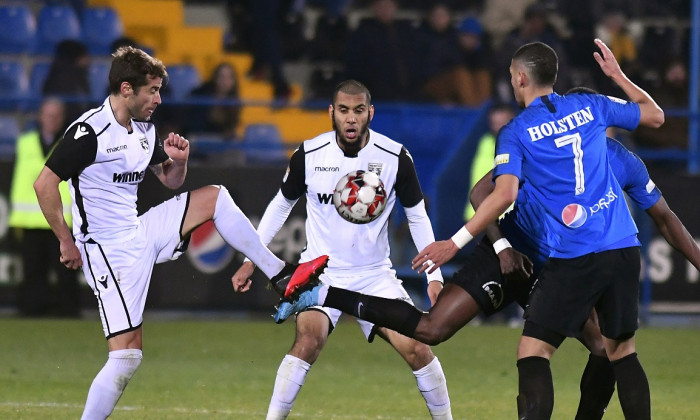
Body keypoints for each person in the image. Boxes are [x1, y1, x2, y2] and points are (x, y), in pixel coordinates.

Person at [280, 40, 666, 420]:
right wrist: (497, 246)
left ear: (518, 78)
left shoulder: (528, 131)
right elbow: (487, 193)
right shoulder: (568, 118)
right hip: (508, 248)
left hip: (549, 261)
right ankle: (326, 291)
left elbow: (501, 193)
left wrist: (455, 241)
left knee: (595, 348)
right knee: (434, 330)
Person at [33, 46, 329, 420]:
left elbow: (170, 181)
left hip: (138, 230)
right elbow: (44, 185)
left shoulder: (143, 128)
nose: (158, 99)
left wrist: (180, 163)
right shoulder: (89, 132)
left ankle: (281, 276)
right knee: (126, 357)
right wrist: (65, 239)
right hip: (107, 250)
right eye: (151, 90)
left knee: (216, 198)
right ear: (126, 89)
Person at [232, 80, 453, 419]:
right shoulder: (309, 154)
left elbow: (417, 217)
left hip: (374, 276)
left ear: (371, 113)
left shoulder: (395, 157)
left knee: (419, 349)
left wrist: (433, 277)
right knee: (307, 343)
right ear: (332, 113)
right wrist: (251, 258)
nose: (351, 119)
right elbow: (280, 205)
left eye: (359, 111)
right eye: (345, 111)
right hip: (320, 274)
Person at [9, 97, 80, 318]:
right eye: (48, 115)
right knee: (32, 269)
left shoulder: (69, 144)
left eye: (56, 116)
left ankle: (69, 312)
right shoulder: (25, 143)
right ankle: (32, 310)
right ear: (40, 117)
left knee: (66, 270)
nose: (52, 120)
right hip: (30, 220)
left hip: (60, 219)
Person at [187, 62, 241, 139]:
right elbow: (194, 125)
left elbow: (231, 128)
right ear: (215, 78)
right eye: (221, 76)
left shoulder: (234, 102)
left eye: (229, 77)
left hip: (221, 142)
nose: (225, 81)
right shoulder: (201, 95)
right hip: (199, 137)